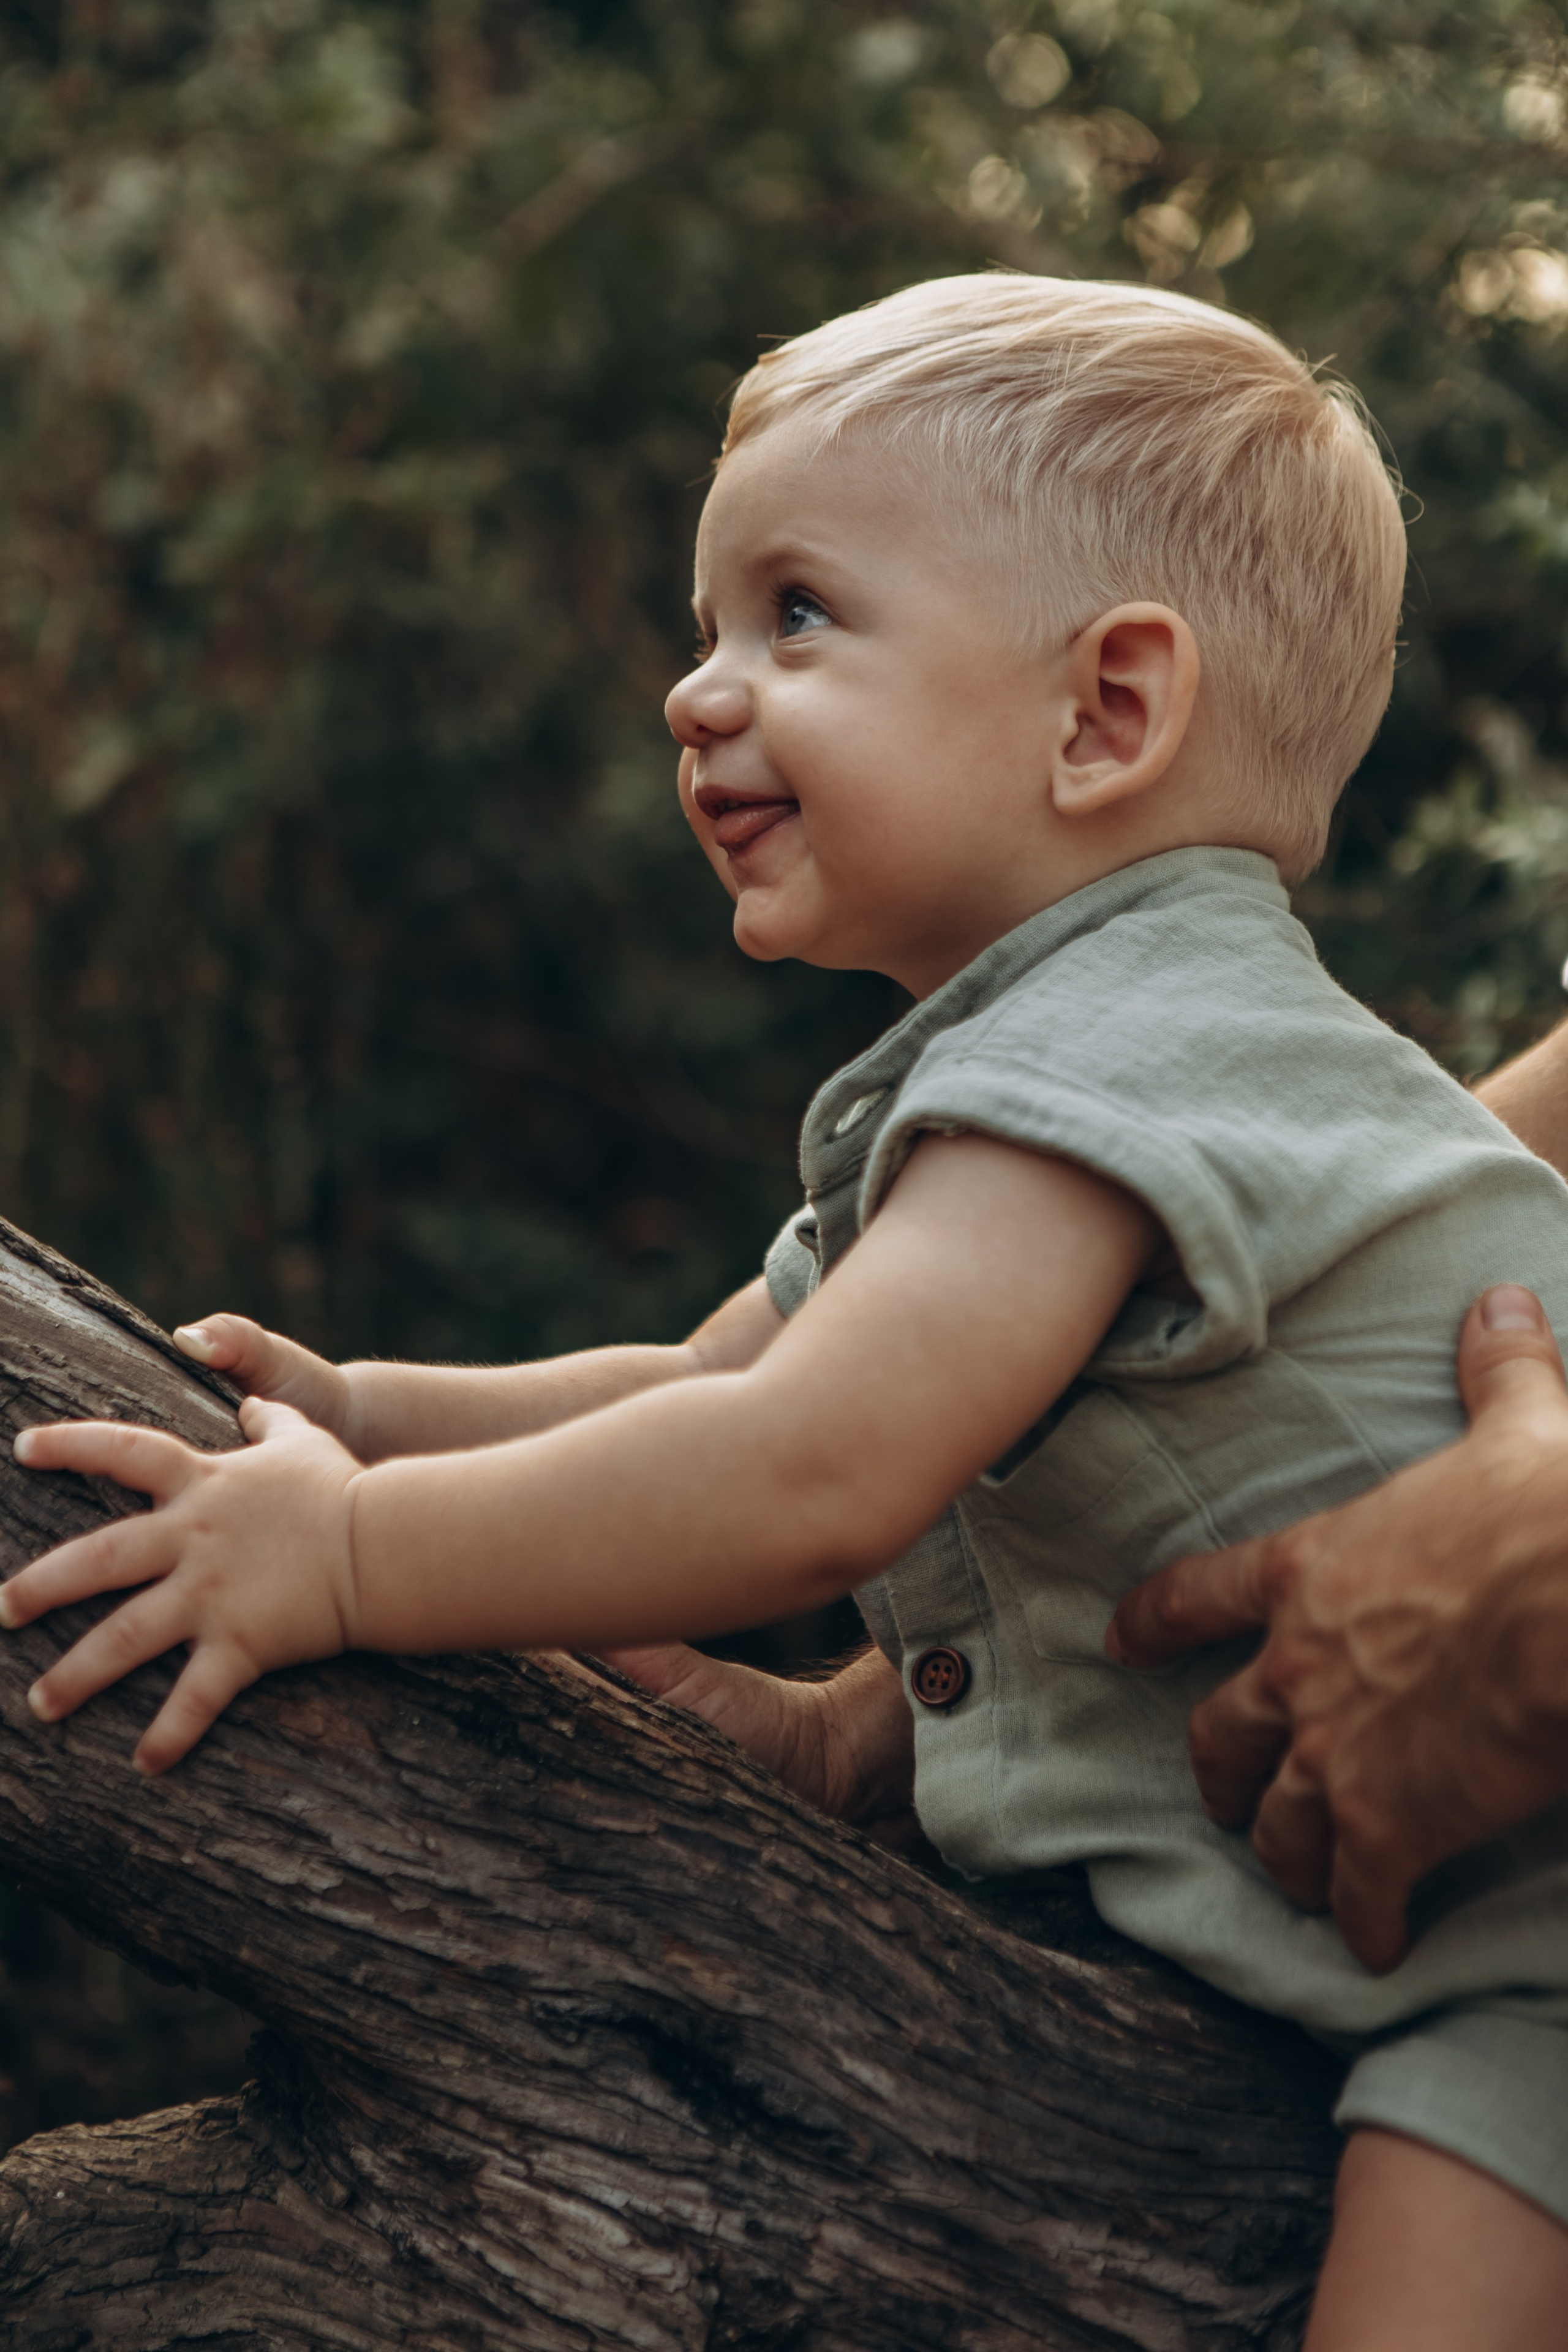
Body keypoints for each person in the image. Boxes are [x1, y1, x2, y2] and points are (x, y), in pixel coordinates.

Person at [6, 273, 1568, 2345]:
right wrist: (364, 1407)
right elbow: (709, 1371)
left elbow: (808, 1469)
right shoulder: (1074, 1053)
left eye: (798, 617)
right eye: (709, 622)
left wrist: (347, 1555)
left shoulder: (1114, 1064)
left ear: (1106, 712)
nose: (697, 692)